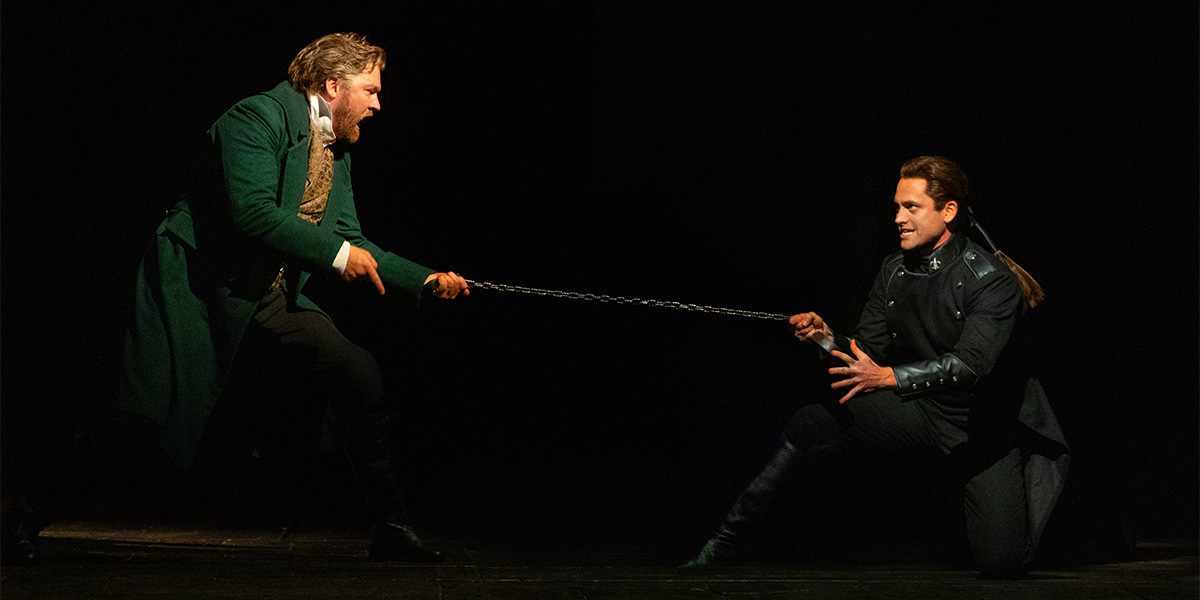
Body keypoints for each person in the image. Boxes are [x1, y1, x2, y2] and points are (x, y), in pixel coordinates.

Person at [1, 32, 468, 565]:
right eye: (371, 90)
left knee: (356, 371)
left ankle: (391, 528)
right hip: (194, 290)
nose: (378, 104)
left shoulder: (336, 147)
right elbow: (254, 212)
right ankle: (25, 516)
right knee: (140, 421)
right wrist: (338, 256)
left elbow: (349, 236)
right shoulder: (255, 118)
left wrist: (424, 279)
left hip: (263, 293)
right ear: (334, 85)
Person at [681, 156, 1069, 577]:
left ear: (948, 211)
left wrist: (888, 377)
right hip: (920, 409)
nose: (898, 218)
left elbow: (971, 364)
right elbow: (867, 349)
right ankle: (727, 542)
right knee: (812, 422)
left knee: (1002, 561)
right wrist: (824, 337)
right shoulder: (894, 270)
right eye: (897, 206)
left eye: (911, 207)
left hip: (981, 427)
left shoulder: (990, 279)